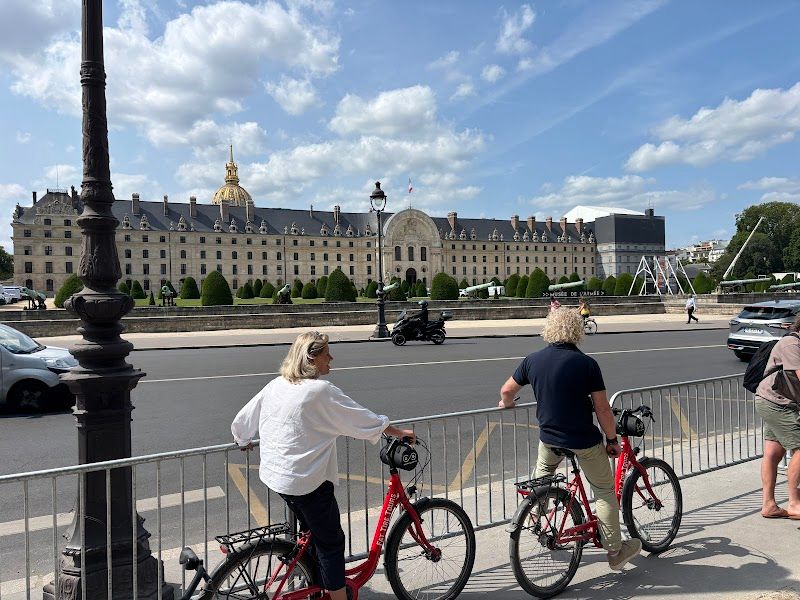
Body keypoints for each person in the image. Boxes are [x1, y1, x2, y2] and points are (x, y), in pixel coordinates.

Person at [231, 331, 414, 600]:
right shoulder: (320, 391)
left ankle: (316, 585)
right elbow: (361, 419)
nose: (332, 358)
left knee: (314, 534)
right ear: (312, 358)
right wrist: (399, 432)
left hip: (277, 477)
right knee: (331, 543)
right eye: (327, 353)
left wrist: (243, 439)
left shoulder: (277, 384)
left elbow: (243, 420)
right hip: (306, 483)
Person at [497, 308, 641, 570]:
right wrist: (611, 440)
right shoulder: (587, 364)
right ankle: (615, 551)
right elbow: (602, 409)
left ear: (549, 329)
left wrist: (507, 403)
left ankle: (534, 514)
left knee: (542, 477)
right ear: (577, 331)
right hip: (583, 440)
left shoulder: (532, 360)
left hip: (549, 438)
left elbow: (506, 390)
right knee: (604, 491)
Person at [755, 316, 800, 519]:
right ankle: (795, 503)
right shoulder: (792, 344)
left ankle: (769, 505)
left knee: (773, 452)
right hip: (776, 403)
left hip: (774, 401)